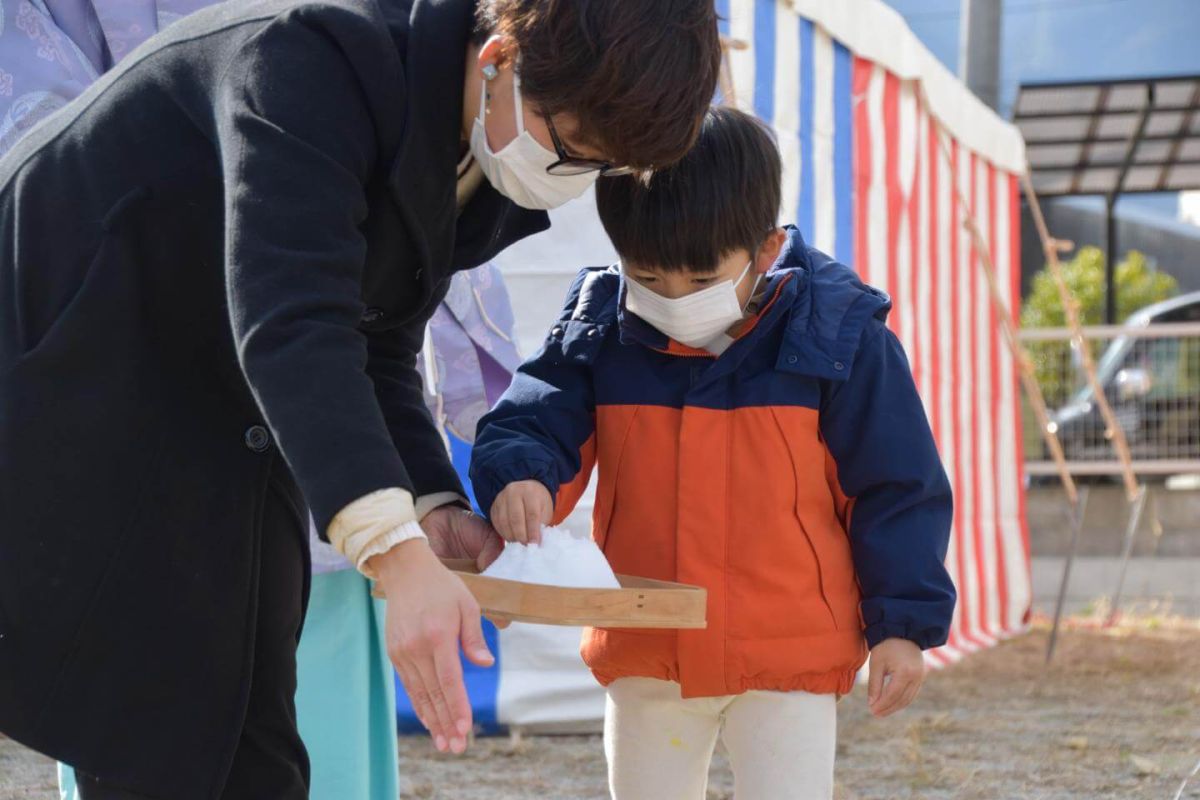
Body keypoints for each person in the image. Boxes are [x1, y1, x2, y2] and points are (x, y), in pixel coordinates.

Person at [0, 0, 722, 796]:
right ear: (500, 59)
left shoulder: (470, 143)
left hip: (213, 392)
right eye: (573, 144)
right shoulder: (309, 60)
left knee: (249, 713)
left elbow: (376, 333)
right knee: (152, 719)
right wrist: (394, 554)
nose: (571, 175)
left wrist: (431, 502)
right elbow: (295, 322)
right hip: (66, 372)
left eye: (599, 165)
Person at [470, 107, 957, 800]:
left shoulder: (842, 335)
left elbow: (897, 487)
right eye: (647, 275)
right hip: (646, 644)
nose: (671, 298)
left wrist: (901, 627)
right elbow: (537, 417)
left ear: (763, 250)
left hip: (788, 653)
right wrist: (521, 473)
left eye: (700, 281)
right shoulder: (599, 325)